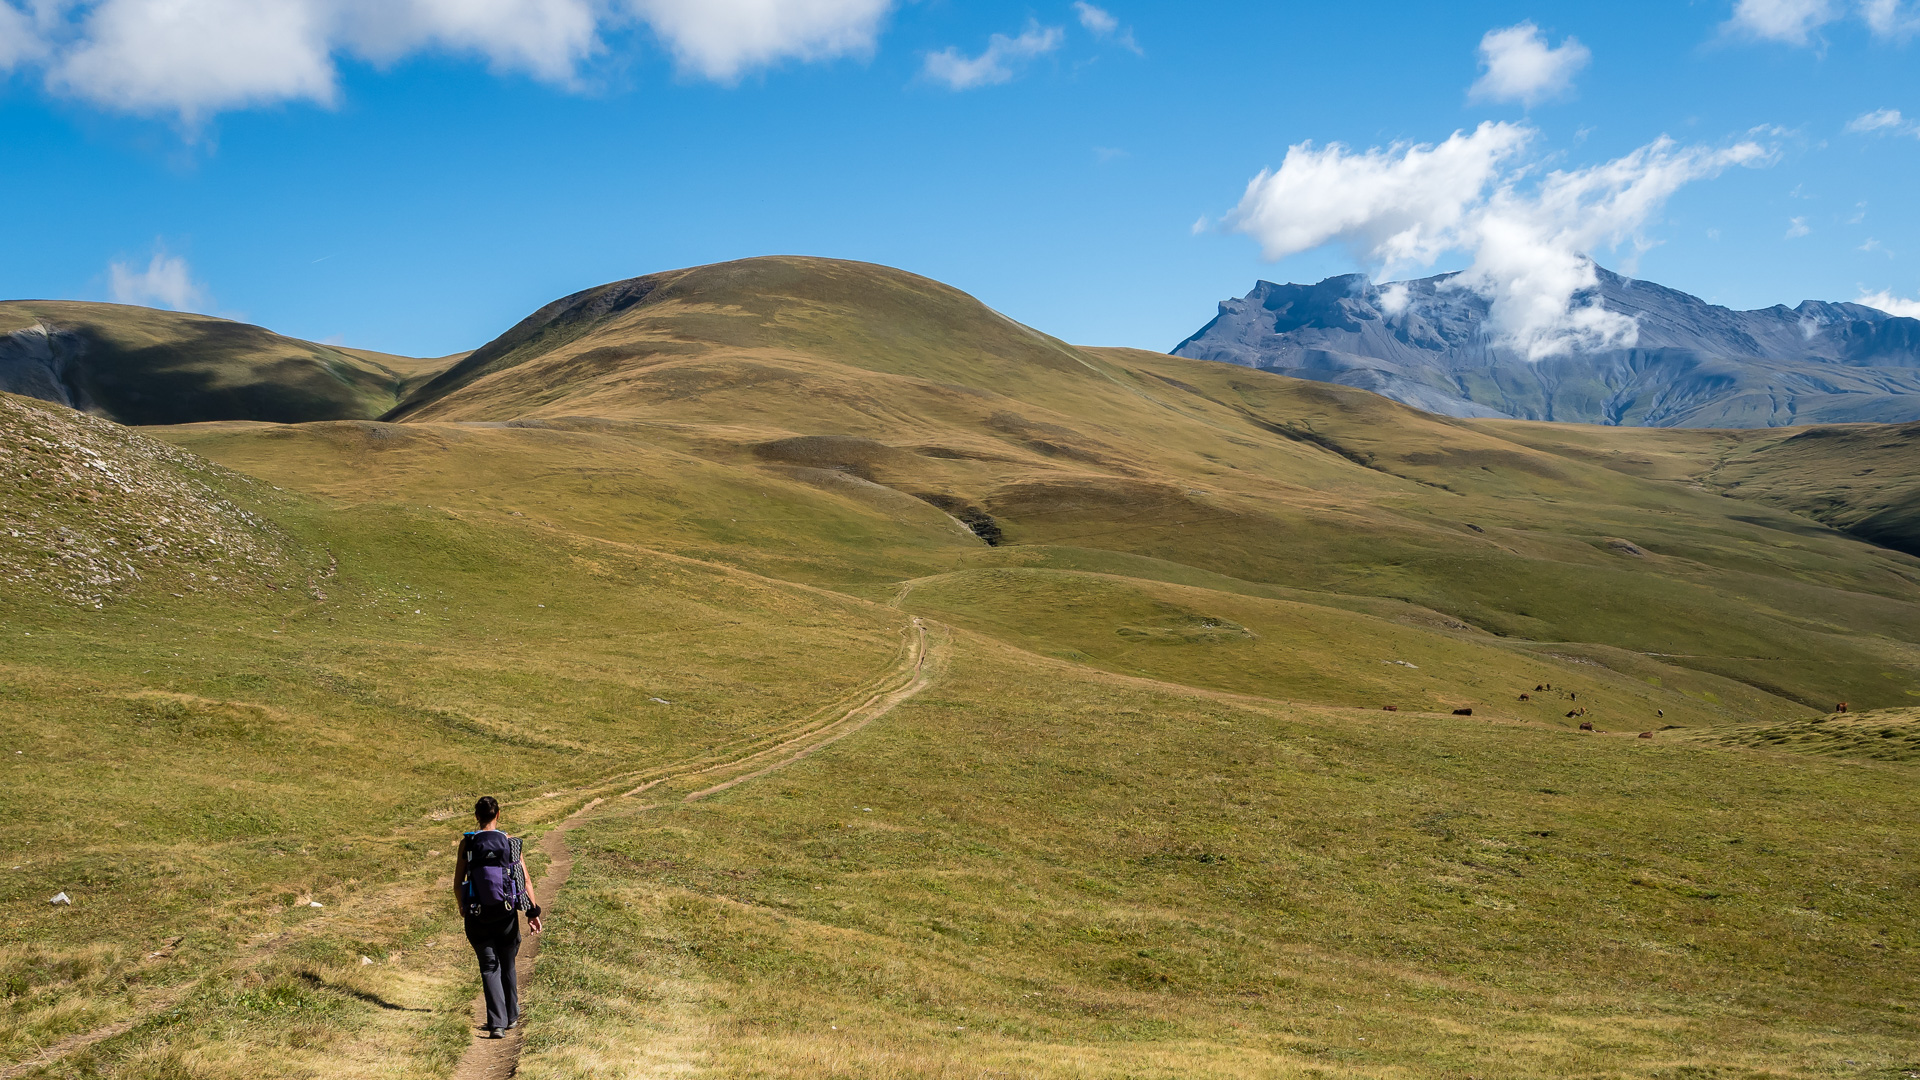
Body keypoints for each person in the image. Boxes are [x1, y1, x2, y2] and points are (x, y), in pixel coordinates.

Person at [452, 796, 543, 1039]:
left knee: (489, 967)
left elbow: (458, 882)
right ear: (498, 814)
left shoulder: (467, 843)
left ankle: (497, 1024)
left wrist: (463, 905)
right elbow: (525, 881)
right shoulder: (510, 843)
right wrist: (532, 913)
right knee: (508, 963)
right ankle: (512, 1016)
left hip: (477, 917)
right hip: (506, 915)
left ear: (476, 816)